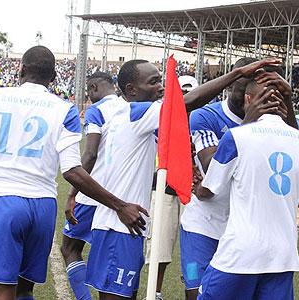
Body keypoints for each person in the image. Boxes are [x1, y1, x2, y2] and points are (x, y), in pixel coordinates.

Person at [83, 57, 286, 300]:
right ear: (131, 90)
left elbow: (140, 167)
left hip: (123, 225)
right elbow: (184, 102)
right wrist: (237, 74)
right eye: (154, 82)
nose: (162, 88)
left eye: (161, 81)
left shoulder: (126, 118)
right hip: (120, 227)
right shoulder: (138, 113)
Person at [0, 46, 148, 300]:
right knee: (25, 289)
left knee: (2, 291)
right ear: (53, 78)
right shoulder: (65, 109)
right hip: (43, 207)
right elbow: (71, 170)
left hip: (4, 202)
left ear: (21, 69)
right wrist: (119, 205)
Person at [179, 59, 294, 300]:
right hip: (206, 225)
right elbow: (212, 172)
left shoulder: (282, 124)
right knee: (196, 294)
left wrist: (289, 107)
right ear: (231, 86)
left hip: (249, 233)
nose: (252, 99)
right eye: (245, 90)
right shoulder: (205, 116)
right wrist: (248, 123)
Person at [196, 80, 299, 300]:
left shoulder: (237, 136)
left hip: (240, 255)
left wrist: (195, 185)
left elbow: (210, 188)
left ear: (248, 100)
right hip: (283, 256)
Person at [61, 71, 127, 300]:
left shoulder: (96, 110)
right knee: (111, 256)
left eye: (89, 92)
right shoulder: (129, 108)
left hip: (92, 195)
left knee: (69, 248)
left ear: (94, 88)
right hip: (122, 195)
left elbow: (89, 154)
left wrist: (72, 194)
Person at [144, 74, 199, 300]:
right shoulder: (161, 116)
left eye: (189, 93)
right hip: (164, 187)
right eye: (182, 92)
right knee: (160, 245)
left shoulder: (200, 118)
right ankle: (154, 292)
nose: (185, 97)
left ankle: (193, 290)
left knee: (195, 249)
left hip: (193, 192)